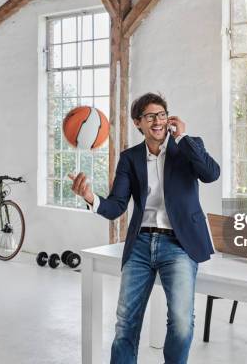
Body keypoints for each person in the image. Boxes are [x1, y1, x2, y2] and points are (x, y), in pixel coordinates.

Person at [68, 92, 220, 364]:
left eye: (161, 114)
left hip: (179, 245)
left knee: (182, 322)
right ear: (138, 123)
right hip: (140, 244)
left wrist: (183, 139)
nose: (157, 121)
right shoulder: (130, 158)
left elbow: (211, 174)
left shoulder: (187, 147)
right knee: (126, 322)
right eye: (150, 116)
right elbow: (116, 206)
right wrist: (91, 198)